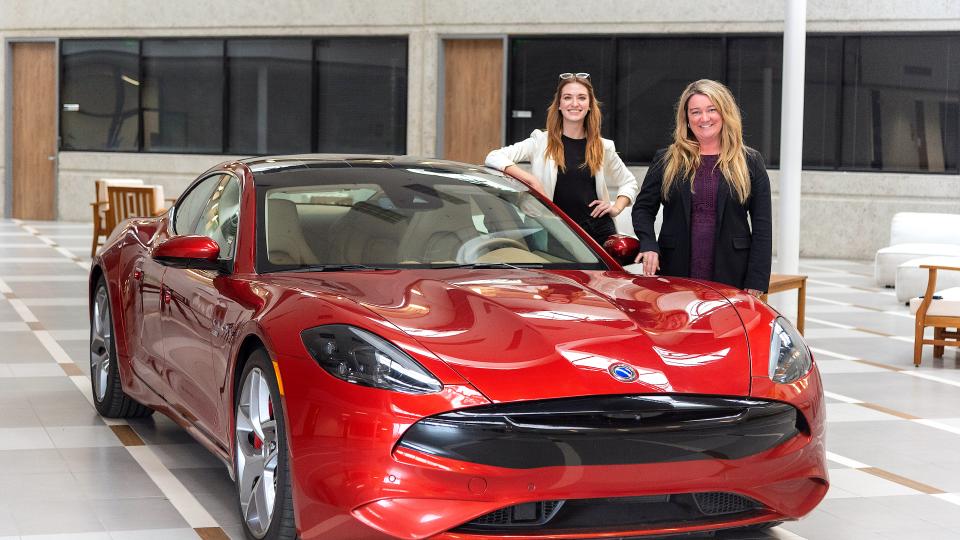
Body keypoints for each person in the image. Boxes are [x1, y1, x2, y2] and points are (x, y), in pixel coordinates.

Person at [631, 79, 771, 296]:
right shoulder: (667, 159)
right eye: (696, 112)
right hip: (676, 271)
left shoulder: (750, 161)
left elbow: (763, 228)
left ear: (724, 113)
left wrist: (756, 281)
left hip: (733, 272)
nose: (704, 118)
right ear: (686, 118)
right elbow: (642, 209)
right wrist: (649, 244)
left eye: (711, 110)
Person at [485, 73, 639, 244]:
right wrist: (530, 180)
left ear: (589, 105)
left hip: (598, 231)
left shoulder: (602, 146)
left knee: (604, 273)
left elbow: (629, 182)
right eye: (567, 98)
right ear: (559, 104)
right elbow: (494, 156)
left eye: (581, 98)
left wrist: (615, 208)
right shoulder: (540, 141)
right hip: (556, 230)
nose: (574, 103)